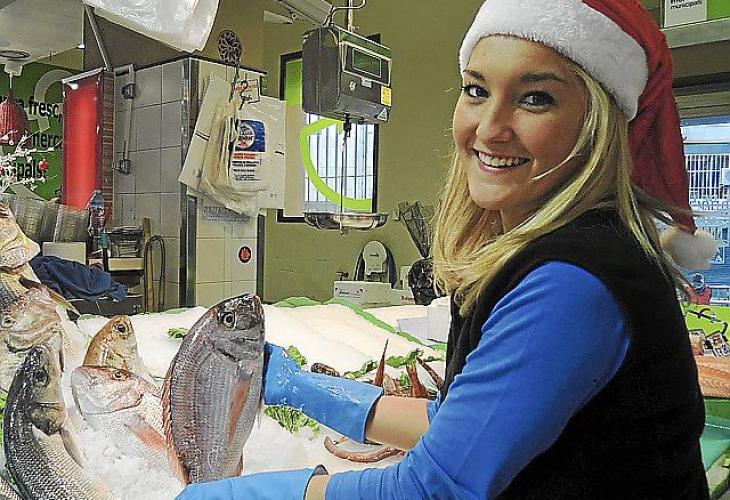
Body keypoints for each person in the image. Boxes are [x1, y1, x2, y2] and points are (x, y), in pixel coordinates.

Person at [177, 0, 717, 498]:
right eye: (477, 90)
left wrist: (249, 494)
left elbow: (434, 489)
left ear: (595, 126)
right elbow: (458, 428)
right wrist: (300, 388)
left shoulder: (573, 280)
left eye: (536, 98)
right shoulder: (547, 249)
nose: (490, 127)